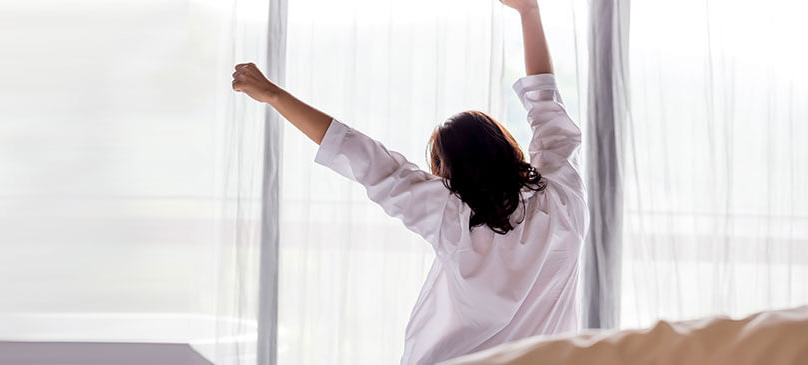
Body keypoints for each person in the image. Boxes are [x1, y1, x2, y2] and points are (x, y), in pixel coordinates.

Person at [232, 0, 588, 363]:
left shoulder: (451, 215)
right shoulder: (563, 197)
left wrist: (275, 96)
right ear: (506, 145)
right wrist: (529, 11)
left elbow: (362, 155)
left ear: (449, 174)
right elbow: (545, 103)